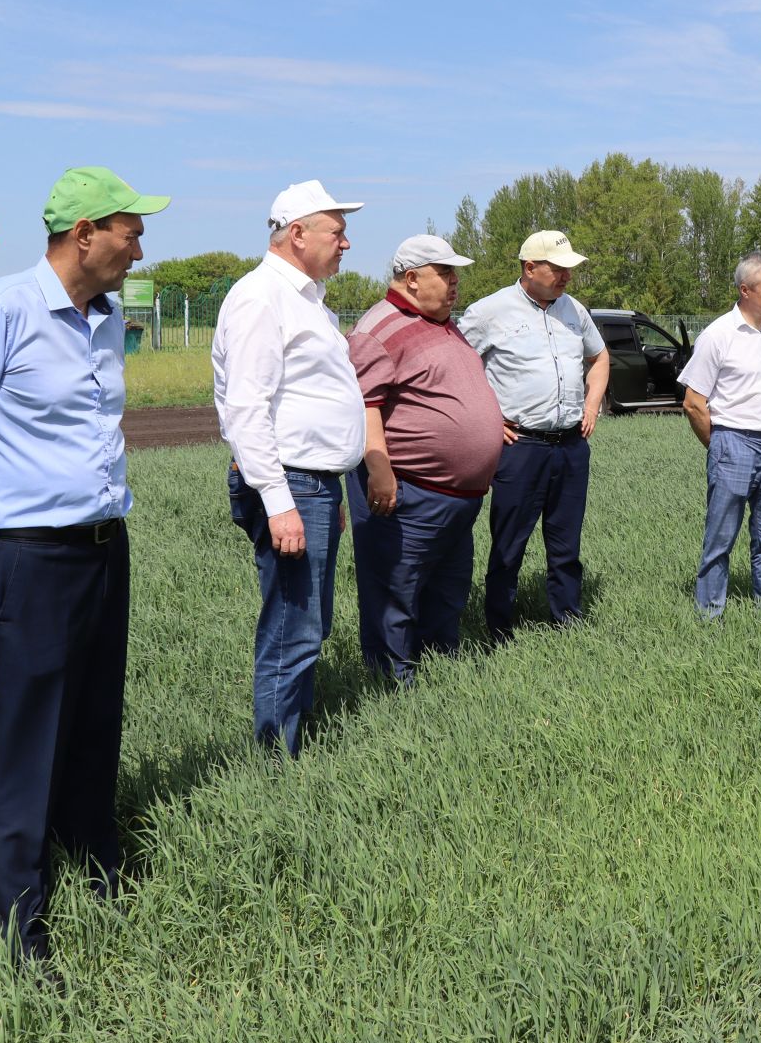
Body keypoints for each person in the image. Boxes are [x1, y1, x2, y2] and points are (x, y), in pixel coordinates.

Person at [0, 165, 168, 963]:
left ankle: (95, 872)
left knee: (94, 720)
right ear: (85, 233)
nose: (141, 243)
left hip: (100, 549)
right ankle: (16, 923)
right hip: (29, 554)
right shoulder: (0, 312)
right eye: (131, 228)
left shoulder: (105, 314)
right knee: (28, 736)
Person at [212, 180, 367, 756]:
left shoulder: (305, 299)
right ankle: (276, 763)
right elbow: (246, 408)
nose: (347, 243)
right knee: (293, 627)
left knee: (308, 624)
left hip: (311, 485)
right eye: (337, 231)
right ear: (296, 234)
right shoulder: (261, 297)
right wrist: (282, 502)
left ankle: (290, 736)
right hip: (290, 483)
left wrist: (329, 493)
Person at [345, 235, 502, 685]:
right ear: (412, 279)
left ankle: (440, 682)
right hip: (409, 494)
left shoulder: (443, 324)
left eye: (455, 274)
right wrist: (380, 470)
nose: (455, 283)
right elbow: (365, 403)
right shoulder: (378, 329)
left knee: (445, 595)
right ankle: (390, 686)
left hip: (455, 499)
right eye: (445, 273)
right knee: (395, 595)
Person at [456, 231, 609, 640]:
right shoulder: (489, 312)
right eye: (558, 269)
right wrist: (487, 418)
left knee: (566, 543)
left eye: (569, 269)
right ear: (529, 268)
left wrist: (591, 405)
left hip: (571, 447)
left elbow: (600, 357)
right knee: (509, 544)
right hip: (520, 447)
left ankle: (568, 620)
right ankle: (498, 629)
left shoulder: (574, 310)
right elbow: (457, 370)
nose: (566, 277)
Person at [677, 251, 761, 618]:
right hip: (733, 441)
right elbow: (694, 402)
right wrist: (720, 445)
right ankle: (709, 613)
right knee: (720, 537)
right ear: (745, 290)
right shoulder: (718, 335)